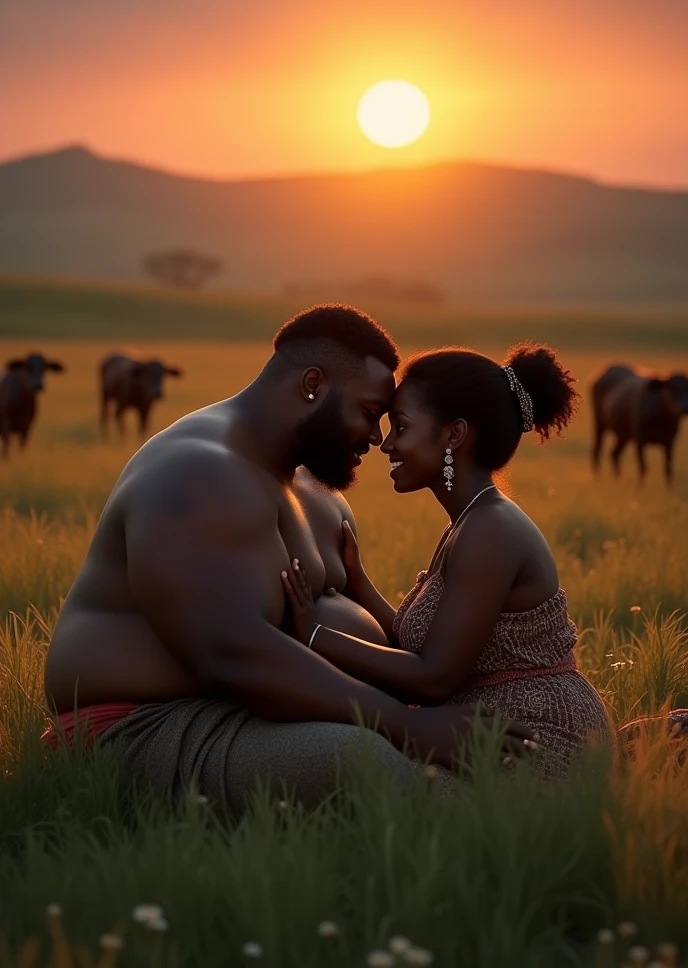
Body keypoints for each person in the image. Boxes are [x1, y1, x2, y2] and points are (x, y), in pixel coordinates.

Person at [43, 306, 536, 815]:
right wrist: (408, 725)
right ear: (312, 385)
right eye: (369, 412)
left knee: (493, 739)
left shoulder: (312, 487)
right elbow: (232, 653)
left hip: (255, 712)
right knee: (359, 761)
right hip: (148, 725)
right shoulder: (199, 472)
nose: (376, 438)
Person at [282, 343, 611, 778]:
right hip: (490, 733)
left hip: (538, 741)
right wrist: (359, 583)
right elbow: (423, 647)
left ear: (454, 435)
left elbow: (433, 677)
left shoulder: (490, 530)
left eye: (400, 427)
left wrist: (314, 635)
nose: (387, 444)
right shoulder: (470, 520)